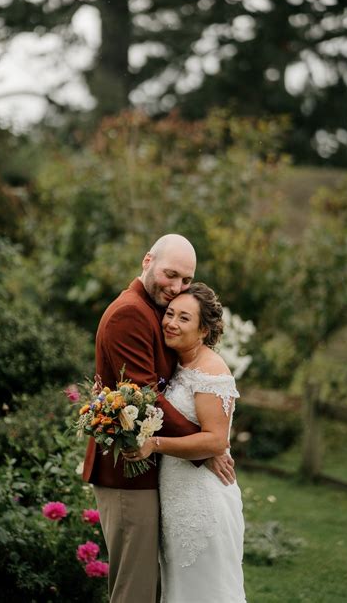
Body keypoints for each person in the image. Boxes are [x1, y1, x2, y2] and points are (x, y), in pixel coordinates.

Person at [82, 235, 236, 603]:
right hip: (125, 473)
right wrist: (207, 445)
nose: (177, 287)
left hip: (154, 473)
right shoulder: (130, 312)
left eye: (185, 280)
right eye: (171, 274)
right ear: (147, 260)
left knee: (153, 589)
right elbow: (147, 396)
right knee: (134, 591)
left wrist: (207, 439)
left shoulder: (153, 309)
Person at [124, 282, 246, 603]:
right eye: (170, 314)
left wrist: (155, 444)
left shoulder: (211, 371)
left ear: (204, 330)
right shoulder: (180, 363)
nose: (171, 323)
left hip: (204, 501)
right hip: (178, 501)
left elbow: (216, 439)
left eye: (184, 318)